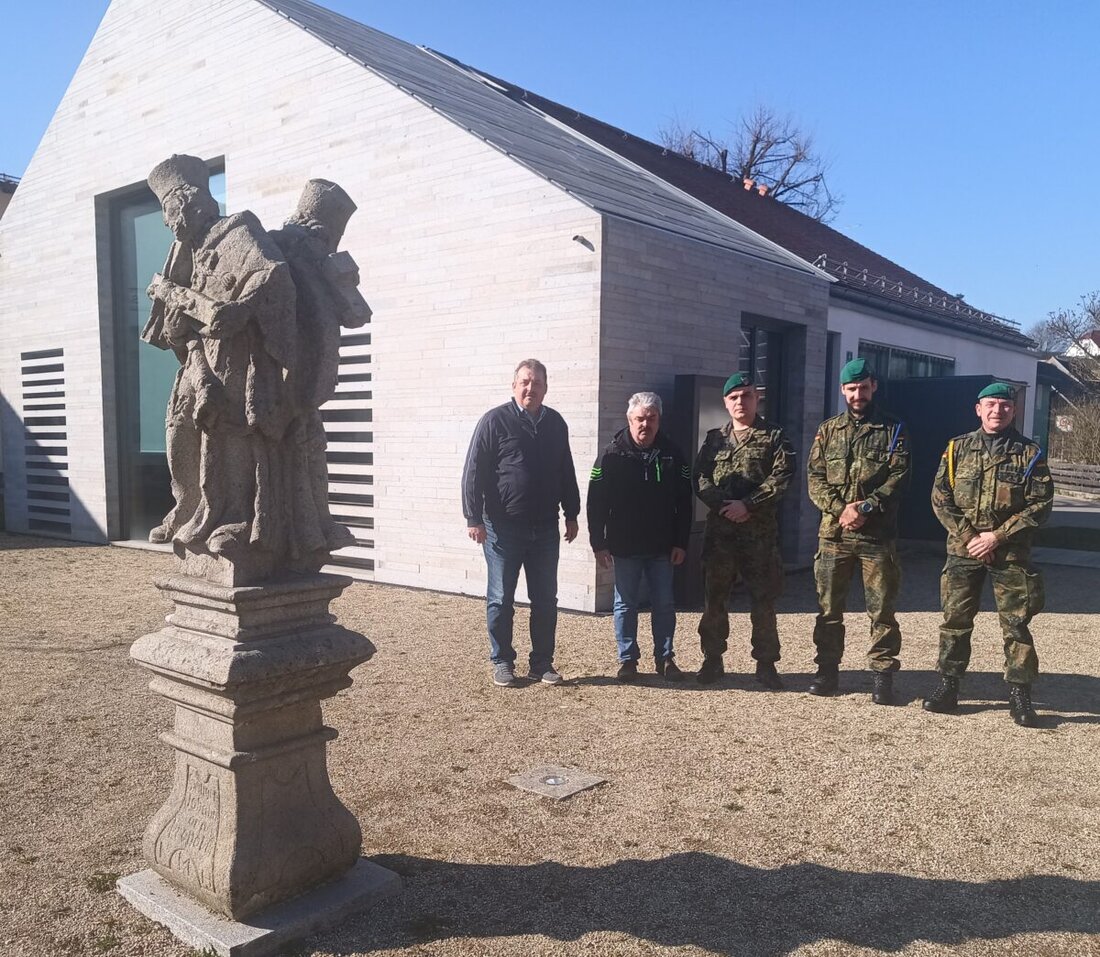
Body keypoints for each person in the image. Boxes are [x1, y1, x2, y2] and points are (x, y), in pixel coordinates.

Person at [142, 154, 299, 570]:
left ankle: (233, 519)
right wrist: (178, 327)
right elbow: (179, 324)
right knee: (178, 429)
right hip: (198, 360)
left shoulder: (238, 231)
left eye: (169, 213)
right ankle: (188, 503)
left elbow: (274, 277)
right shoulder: (185, 255)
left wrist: (242, 310)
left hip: (237, 356)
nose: (168, 225)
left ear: (189, 203)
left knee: (227, 435)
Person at [924, 382, 1053, 727]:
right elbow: (941, 498)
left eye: (1005, 405)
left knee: (1016, 625)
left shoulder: (1030, 454)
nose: (998, 410)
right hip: (963, 551)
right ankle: (949, 687)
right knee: (955, 622)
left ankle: (1020, 694)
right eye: (991, 404)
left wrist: (997, 536)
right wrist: (970, 537)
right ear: (978, 409)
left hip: (1010, 554)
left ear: (1014, 410)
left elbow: (1040, 505)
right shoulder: (956, 450)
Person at [461, 360, 580, 687]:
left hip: (545, 528)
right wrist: (473, 517)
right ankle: (502, 661)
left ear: (545, 387)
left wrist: (572, 512)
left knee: (546, 599)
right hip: (502, 527)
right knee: (501, 598)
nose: (531, 388)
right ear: (514, 386)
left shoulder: (555, 423)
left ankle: (541, 663)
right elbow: (474, 471)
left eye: (537, 383)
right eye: (525, 382)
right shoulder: (494, 421)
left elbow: (565, 470)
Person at [806, 358, 911, 704]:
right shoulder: (828, 430)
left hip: (875, 537)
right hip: (834, 536)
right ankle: (827, 671)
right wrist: (842, 510)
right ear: (842, 390)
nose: (857, 395)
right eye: (851, 389)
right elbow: (816, 479)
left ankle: (882, 676)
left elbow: (899, 478)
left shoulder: (894, 429)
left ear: (873, 387)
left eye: (863, 388)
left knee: (881, 610)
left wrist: (864, 508)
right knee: (829, 610)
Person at [693, 373, 795, 688]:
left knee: (763, 601)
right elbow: (699, 478)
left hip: (759, 537)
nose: (741, 401)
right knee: (714, 600)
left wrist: (748, 505)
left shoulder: (775, 436)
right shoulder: (714, 439)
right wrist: (725, 504)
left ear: (756, 398)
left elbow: (782, 477)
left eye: (747, 395)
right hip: (721, 536)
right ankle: (712, 660)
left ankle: (766, 665)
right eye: (734, 397)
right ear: (726, 402)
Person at [587, 392, 692, 682]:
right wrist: (599, 542)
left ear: (659, 420)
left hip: (662, 545)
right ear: (629, 419)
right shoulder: (609, 455)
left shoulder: (674, 453)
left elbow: (684, 501)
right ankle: (627, 660)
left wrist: (681, 541)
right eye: (639, 419)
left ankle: (665, 658)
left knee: (664, 603)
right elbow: (595, 501)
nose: (645, 424)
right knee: (625, 604)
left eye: (651, 418)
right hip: (625, 545)